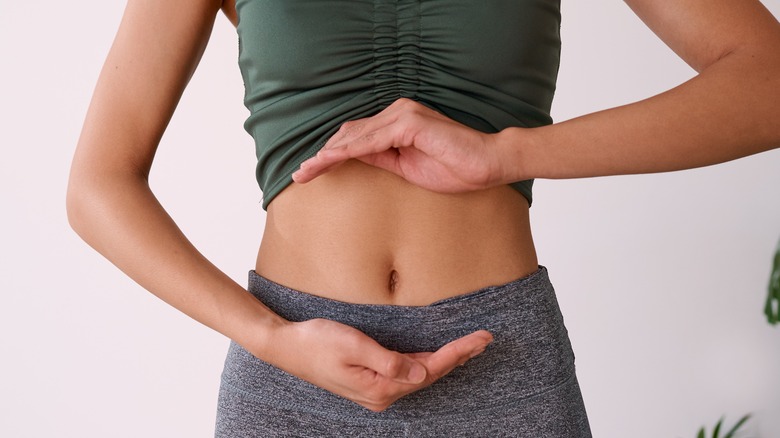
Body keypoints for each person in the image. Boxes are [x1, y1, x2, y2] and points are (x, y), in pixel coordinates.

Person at [66, 0, 780, 436]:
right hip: (294, 371)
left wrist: (508, 154)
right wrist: (270, 339)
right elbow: (98, 185)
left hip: (500, 361)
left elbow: (767, 82)